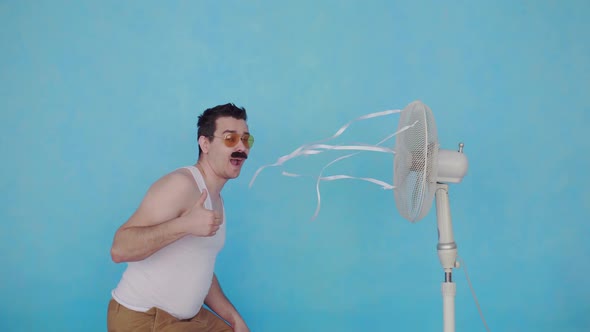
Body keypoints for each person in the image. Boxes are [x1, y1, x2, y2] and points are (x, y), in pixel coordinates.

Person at [107, 103, 253, 332]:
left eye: (246, 139)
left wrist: (234, 318)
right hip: (144, 319)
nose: (241, 148)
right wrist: (184, 224)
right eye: (230, 139)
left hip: (188, 319)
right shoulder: (182, 185)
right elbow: (119, 249)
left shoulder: (216, 199)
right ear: (205, 143)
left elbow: (199, 266)